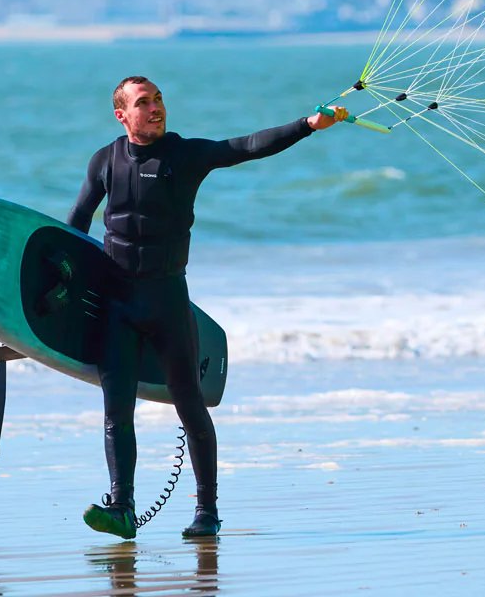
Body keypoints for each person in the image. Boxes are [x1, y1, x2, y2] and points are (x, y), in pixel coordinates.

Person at [67, 75, 347, 539]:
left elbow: (245, 147)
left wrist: (307, 125)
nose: (155, 108)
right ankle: (121, 507)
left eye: (158, 99)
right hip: (118, 304)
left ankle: (207, 512)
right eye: (143, 102)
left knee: (189, 405)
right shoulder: (104, 161)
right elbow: (76, 226)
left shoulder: (184, 154)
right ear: (122, 115)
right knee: (116, 410)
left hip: (167, 301)